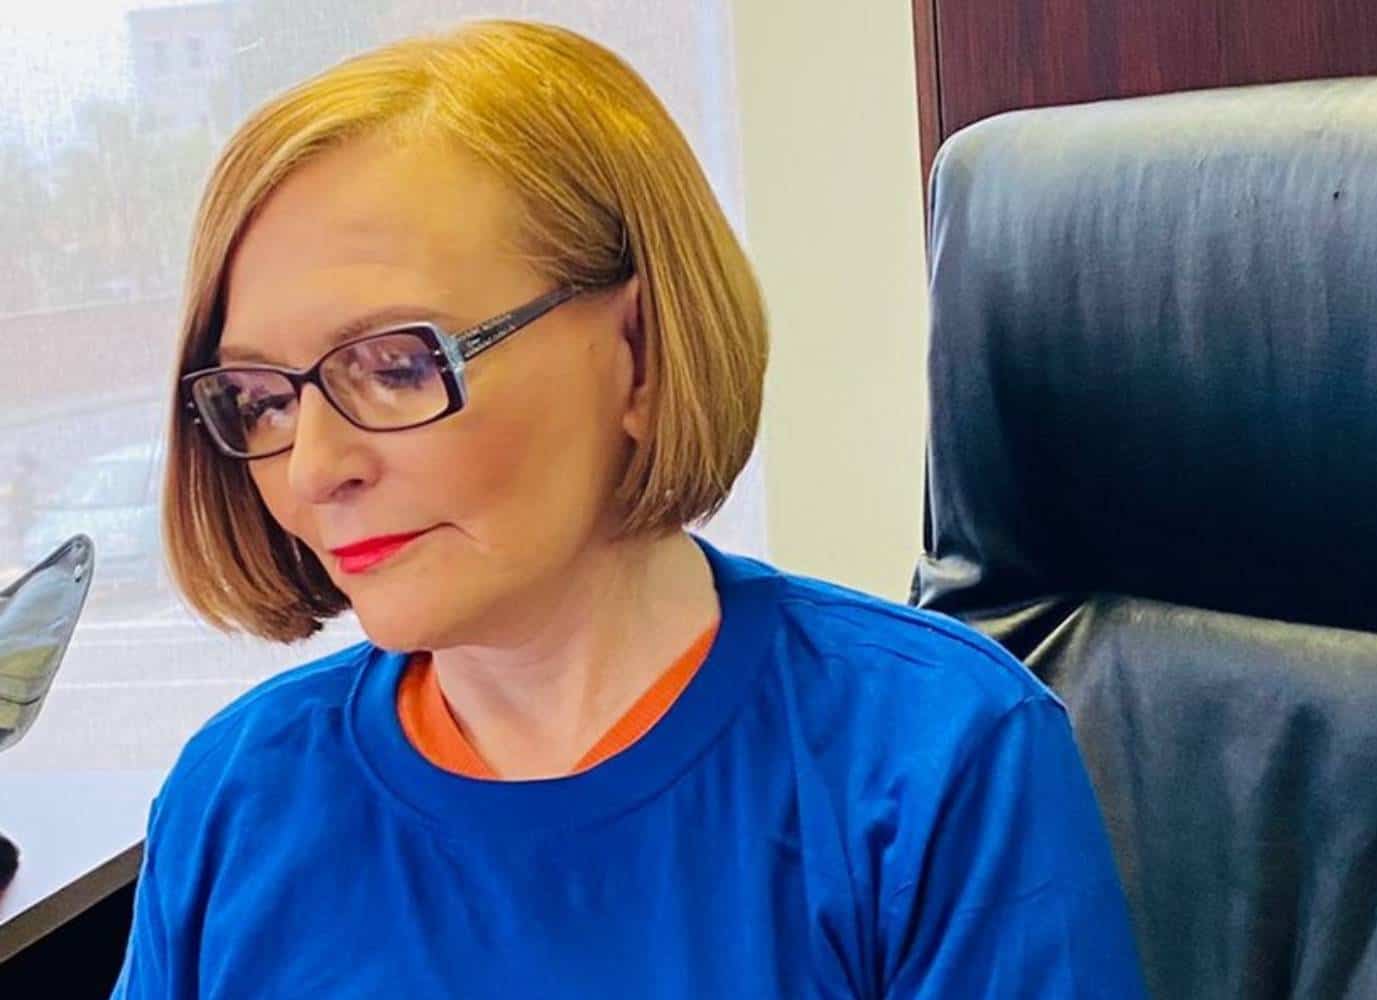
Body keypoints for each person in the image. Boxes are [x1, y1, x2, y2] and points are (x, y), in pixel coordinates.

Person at [112, 20, 1144, 999]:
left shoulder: (938, 759)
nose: (311, 470)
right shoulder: (234, 799)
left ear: (637, 353)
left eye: (395, 365)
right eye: (263, 399)